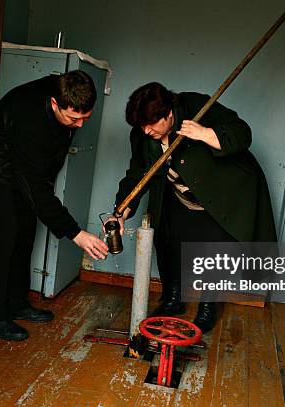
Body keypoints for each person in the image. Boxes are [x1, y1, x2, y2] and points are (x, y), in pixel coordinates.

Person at [112, 82, 276, 332]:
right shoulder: (143, 134)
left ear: (169, 114)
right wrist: (120, 211)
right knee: (166, 236)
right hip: (181, 195)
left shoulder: (197, 106)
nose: (146, 131)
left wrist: (205, 134)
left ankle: (207, 307)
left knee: (216, 250)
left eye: (151, 124)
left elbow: (243, 133)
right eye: (140, 125)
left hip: (222, 194)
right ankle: (173, 299)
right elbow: (137, 174)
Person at [0, 70, 109, 341]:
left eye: (85, 118)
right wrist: (76, 233)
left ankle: (16, 302)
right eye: (74, 118)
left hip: (19, 159)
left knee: (26, 227)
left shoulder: (66, 91)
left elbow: (43, 171)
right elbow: (37, 187)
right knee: (4, 231)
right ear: (55, 104)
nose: (80, 125)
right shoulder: (30, 119)